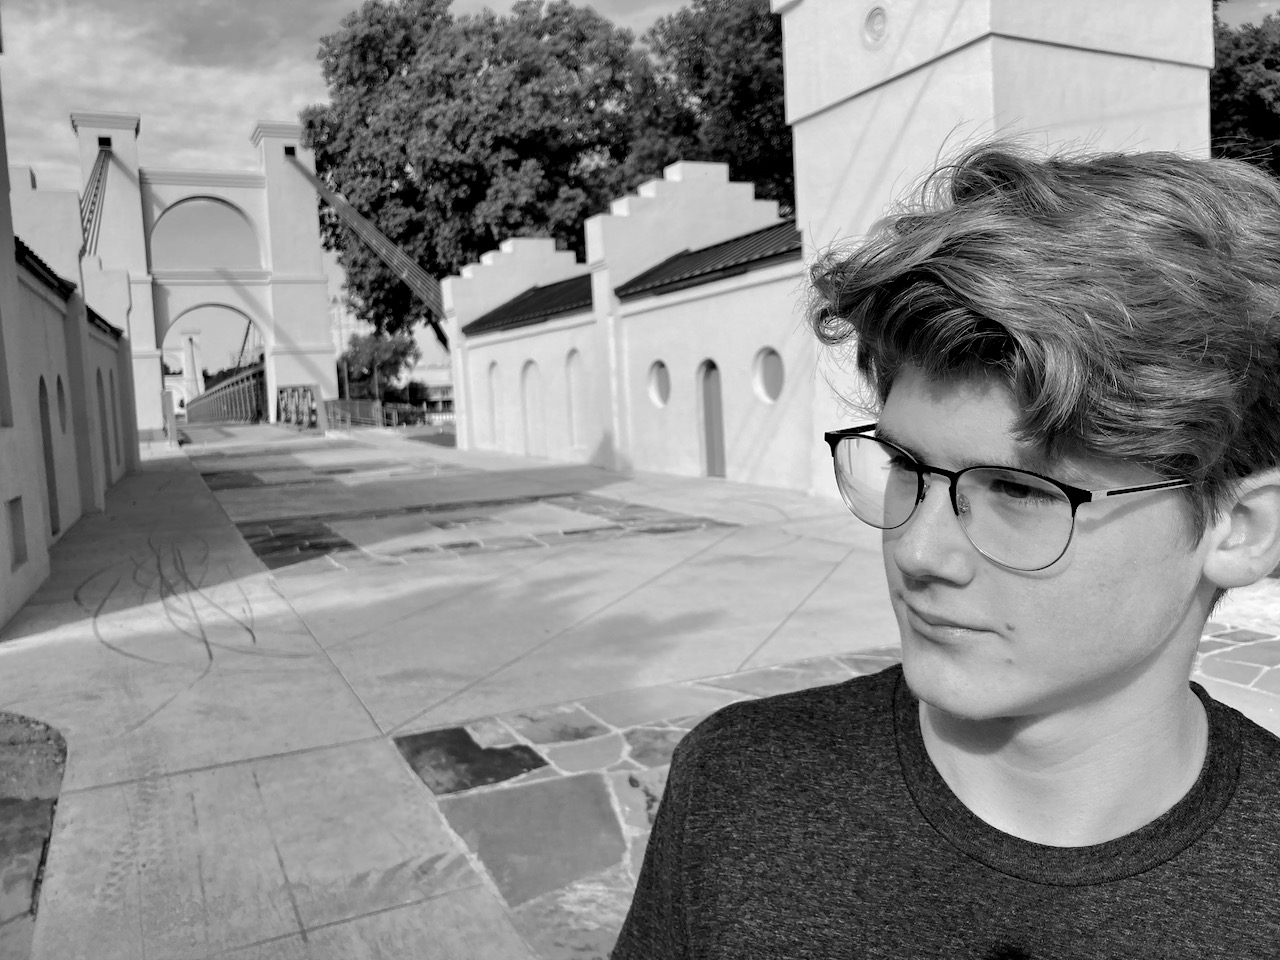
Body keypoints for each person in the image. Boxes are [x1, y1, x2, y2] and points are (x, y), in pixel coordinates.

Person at [610, 143, 1280, 959]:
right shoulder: (738, 788)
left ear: (1242, 530)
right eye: (905, 466)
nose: (919, 551)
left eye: (1022, 492)